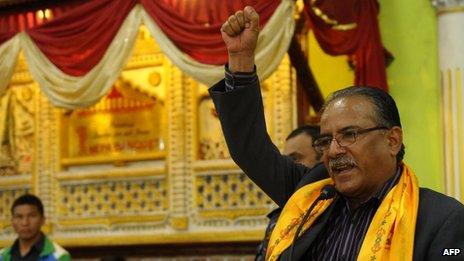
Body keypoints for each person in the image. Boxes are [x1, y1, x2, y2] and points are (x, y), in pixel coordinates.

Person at [209, 6, 464, 261]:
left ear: (392, 140)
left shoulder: (440, 218)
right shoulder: (313, 195)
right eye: (326, 140)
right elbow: (250, 150)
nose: (333, 151)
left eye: (349, 135)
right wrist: (241, 58)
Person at [256, 125, 321, 261]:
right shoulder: (279, 216)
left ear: (321, 160)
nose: (288, 166)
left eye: (295, 158)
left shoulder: (334, 209)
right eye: (285, 160)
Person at [0, 194, 71, 261]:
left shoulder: (59, 256)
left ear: (43, 220)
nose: (25, 223)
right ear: (12, 221)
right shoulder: (2, 256)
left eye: (32, 216)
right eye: (19, 217)